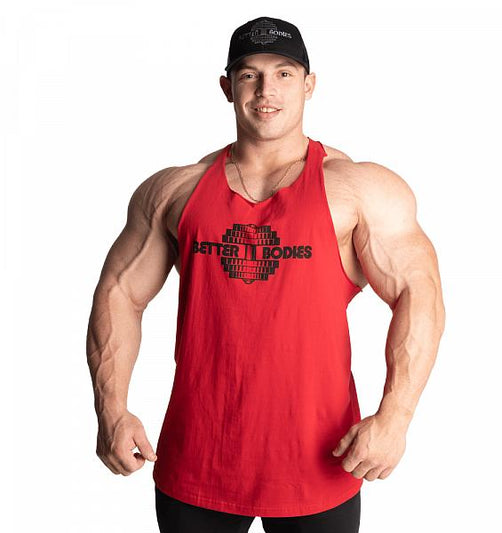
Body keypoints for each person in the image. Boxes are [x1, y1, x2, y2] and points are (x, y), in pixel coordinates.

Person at [86, 16, 446, 533]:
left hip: (322, 461)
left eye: (283, 73)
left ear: (309, 84)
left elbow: (419, 293)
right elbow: (120, 292)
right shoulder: (174, 191)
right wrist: (112, 410)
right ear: (227, 87)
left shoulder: (358, 188)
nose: (265, 91)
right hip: (198, 460)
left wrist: (396, 418)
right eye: (250, 75)